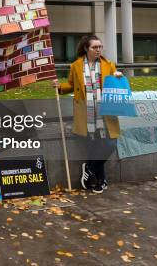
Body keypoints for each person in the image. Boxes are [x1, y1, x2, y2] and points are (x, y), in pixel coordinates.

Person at [53, 35, 123, 194]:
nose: (98, 50)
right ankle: (100, 180)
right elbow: (71, 85)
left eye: (100, 47)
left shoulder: (109, 65)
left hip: (106, 113)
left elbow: (116, 85)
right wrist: (59, 87)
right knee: (95, 147)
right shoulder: (76, 66)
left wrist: (119, 78)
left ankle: (90, 168)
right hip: (87, 114)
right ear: (86, 48)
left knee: (110, 144)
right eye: (95, 47)